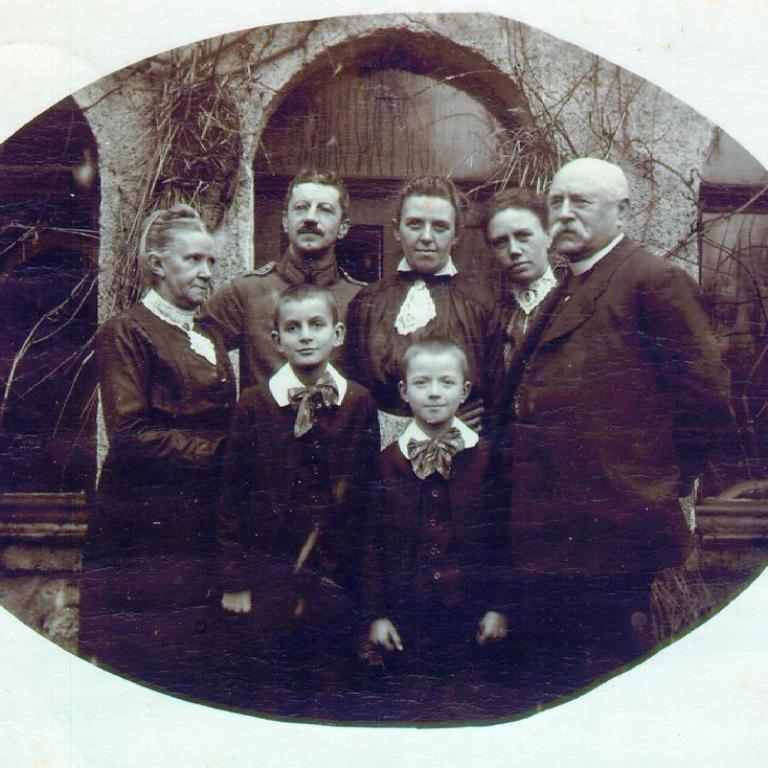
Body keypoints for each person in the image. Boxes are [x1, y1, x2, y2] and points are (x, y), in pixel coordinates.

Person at [499, 157, 733, 690]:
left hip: (617, 533)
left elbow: (707, 400)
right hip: (555, 536)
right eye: (556, 202)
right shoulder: (566, 287)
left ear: (622, 211)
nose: (563, 214)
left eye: (580, 202)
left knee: (605, 677)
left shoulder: (652, 280)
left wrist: (657, 481)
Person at [79, 204, 235, 695]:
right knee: (143, 663)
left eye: (210, 261)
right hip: (142, 523)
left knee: (197, 665)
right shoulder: (126, 331)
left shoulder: (209, 335)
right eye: (192, 260)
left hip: (200, 522)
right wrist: (223, 454)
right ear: (157, 264)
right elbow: (130, 433)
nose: (206, 272)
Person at [216, 284, 380, 711]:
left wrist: (368, 592)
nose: (305, 335)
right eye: (293, 328)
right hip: (272, 571)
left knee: (334, 686)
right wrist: (235, 580)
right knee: (273, 687)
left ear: (337, 334)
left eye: (316, 325)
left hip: (337, 574)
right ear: (277, 340)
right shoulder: (254, 404)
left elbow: (368, 500)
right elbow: (233, 496)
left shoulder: (358, 402)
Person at [363, 338, 507, 691]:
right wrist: (377, 614)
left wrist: (498, 607)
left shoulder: (487, 458)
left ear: (464, 391)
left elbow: (501, 538)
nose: (434, 393)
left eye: (446, 382)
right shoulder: (386, 462)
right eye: (421, 382)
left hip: (470, 613)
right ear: (404, 392)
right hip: (406, 615)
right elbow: (372, 543)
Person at [345, 176, 489, 446]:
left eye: (440, 227)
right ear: (396, 229)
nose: (426, 237)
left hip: (458, 450)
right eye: (414, 224)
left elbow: (495, 397)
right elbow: (351, 390)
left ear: (457, 234)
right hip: (379, 452)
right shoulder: (367, 302)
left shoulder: (480, 306)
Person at [200, 168, 364, 390]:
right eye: (301, 208)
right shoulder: (246, 292)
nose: (310, 218)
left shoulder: (360, 298)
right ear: (286, 221)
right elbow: (192, 348)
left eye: (325, 210)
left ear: (343, 227)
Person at [482, 187, 566, 417]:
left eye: (523, 236)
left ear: (548, 235)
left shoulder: (574, 298)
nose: (514, 250)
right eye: (500, 242)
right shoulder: (486, 308)